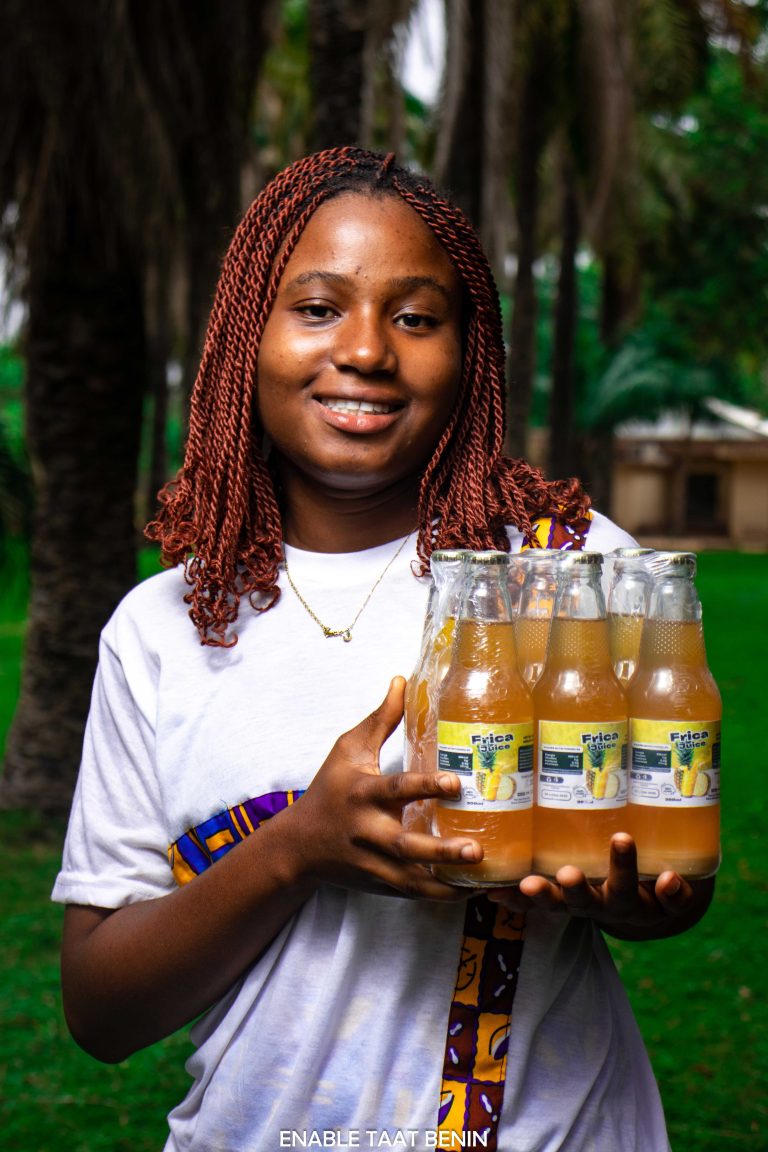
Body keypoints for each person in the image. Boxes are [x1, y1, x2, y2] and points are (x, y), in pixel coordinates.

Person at [53, 146, 713, 1152]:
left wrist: (643, 901)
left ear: (469, 354)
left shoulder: (569, 575)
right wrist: (294, 852)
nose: (366, 350)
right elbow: (101, 1012)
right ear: (246, 337)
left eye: (415, 318)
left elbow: (672, 871)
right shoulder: (165, 628)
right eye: (318, 308)